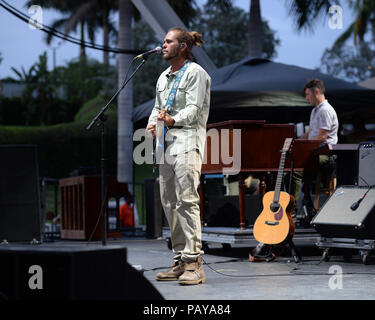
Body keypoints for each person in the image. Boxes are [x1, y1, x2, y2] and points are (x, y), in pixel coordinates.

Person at [146, 27, 211, 285]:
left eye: (168, 41)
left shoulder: (196, 73)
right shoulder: (163, 77)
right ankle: (180, 259)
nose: (163, 45)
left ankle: (195, 262)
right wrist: (153, 124)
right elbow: (157, 108)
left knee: (186, 201)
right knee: (169, 204)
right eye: (162, 41)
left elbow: (194, 109)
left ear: (182, 46)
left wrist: (172, 119)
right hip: (165, 145)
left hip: (187, 142)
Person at [293, 78, 339, 222]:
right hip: (315, 151)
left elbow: (322, 137)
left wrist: (305, 150)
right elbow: (309, 134)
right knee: (293, 165)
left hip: (326, 154)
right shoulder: (315, 111)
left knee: (296, 170)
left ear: (317, 92)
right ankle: (306, 205)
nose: (307, 98)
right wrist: (296, 143)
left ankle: (292, 209)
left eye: (308, 94)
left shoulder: (325, 110)